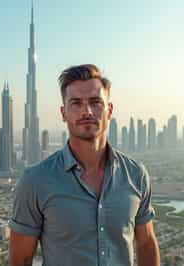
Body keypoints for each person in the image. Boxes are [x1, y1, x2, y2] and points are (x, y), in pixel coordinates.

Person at [9, 64, 160, 266]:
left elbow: (147, 245)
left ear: (110, 110)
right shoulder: (35, 181)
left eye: (95, 102)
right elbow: (21, 259)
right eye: (76, 103)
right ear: (63, 113)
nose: (86, 111)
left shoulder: (136, 175)